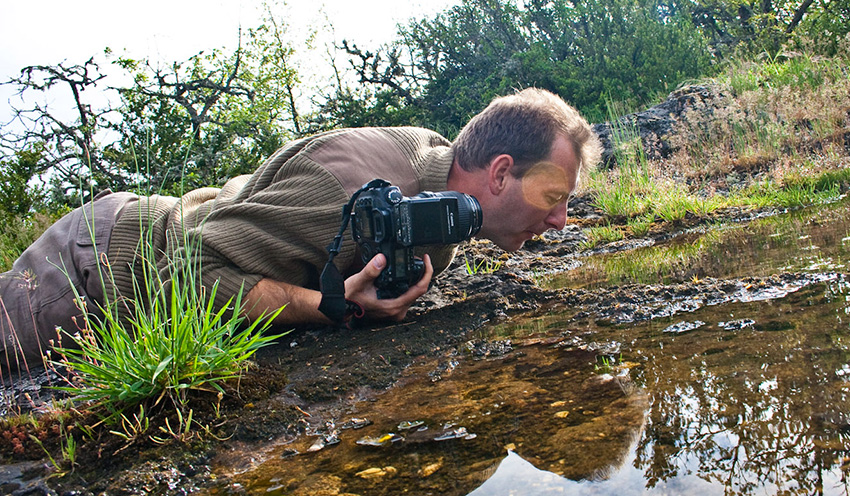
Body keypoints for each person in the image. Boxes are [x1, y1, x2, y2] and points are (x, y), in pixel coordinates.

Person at [0, 88, 601, 367]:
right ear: (499, 173)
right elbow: (185, 269)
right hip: (100, 268)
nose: (559, 220)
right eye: (553, 197)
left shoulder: (445, 203)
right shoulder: (355, 194)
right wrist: (332, 307)